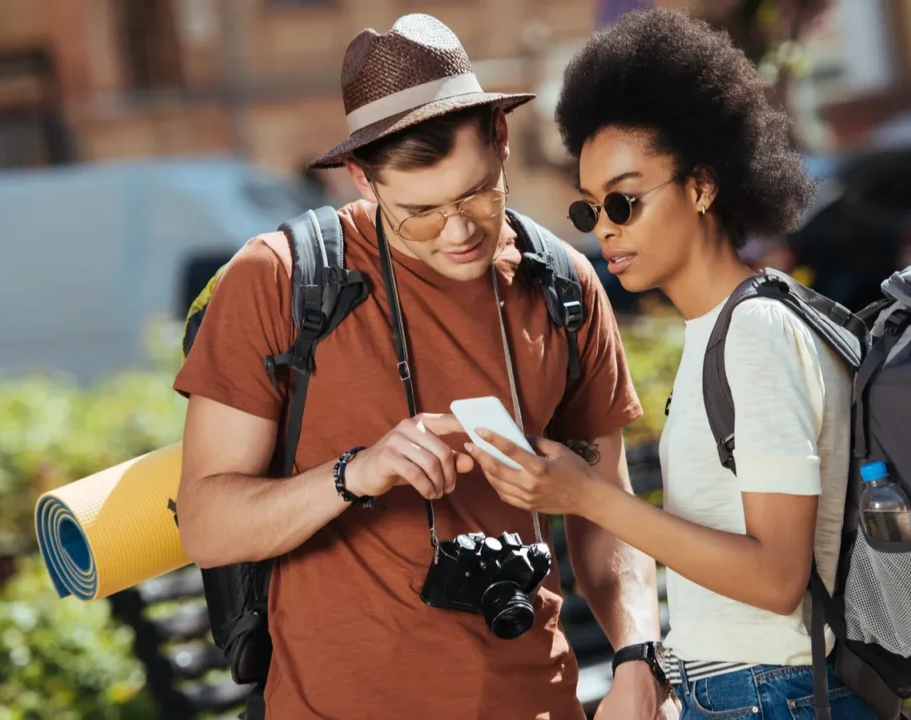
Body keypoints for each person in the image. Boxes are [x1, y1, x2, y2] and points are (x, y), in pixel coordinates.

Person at [173, 14, 671, 720]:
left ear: (501, 140)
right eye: (421, 212)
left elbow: (606, 512)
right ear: (360, 180)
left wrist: (636, 658)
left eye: (476, 194)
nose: (460, 231)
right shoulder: (279, 280)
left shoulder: (562, 285)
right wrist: (356, 474)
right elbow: (207, 524)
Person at [466, 9, 878, 720]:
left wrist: (588, 497)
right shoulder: (724, 329)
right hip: (745, 691)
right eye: (590, 210)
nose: (608, 230)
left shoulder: (756, 333)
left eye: (625, 199)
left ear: (701, 187)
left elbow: (778, 577)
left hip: (772, 695)